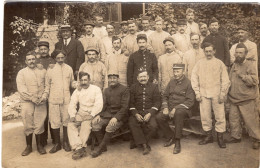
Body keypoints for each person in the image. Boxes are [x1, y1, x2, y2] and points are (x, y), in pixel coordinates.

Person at [191, 42, 230, 148]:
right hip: (203, 94)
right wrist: (197, 92)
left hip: (217, 94)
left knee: (220, 116)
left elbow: (225, 80)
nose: (208, 53)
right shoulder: (199, 63)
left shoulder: (219, 63)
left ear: (214, 51)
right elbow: (194, 78)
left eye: (210, 51)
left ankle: (220, 138)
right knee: (205, 116)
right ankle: (208, 136)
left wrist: (223, 93)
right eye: (206, 51)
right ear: (204, 52)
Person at [226, 43, 260, 149]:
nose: (238, 55)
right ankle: (236, 137)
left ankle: (257, 139)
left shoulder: (250, 65)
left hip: (247, 98)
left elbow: (255, 81)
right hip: (233, 98)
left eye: (241, 53)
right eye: (236, 53)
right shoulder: (234, 65)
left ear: (245, 54)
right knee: (233, 119)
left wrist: (243, 76)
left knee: (251, 121)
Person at [156, 64, 195, 154]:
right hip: (169, 107)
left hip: (183, 108)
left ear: (183, 71)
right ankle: (171, 136)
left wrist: (175, 108)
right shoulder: (171, 82)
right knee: (159, 117)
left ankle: (177, 141)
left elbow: (190, 101)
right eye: (174, 71)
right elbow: (165, 96)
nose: (175, 73)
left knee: (178, 114)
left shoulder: (188, 83)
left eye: (178, 71)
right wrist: (165, 107)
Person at [45, 49, 78, 153]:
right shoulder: (50, 69)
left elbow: (72, 82)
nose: (60, 60)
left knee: (66, 121)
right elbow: (47, 85)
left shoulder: (69, 68)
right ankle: (57, 144)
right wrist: (45, 95)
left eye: (62, 57)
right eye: (58, 58)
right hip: (53, 99)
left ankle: (65, 143)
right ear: (55, 58)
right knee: (54, 121)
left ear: (65, 57)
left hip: (66, 99)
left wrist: (77, 85)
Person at [91, 71, 130, 158]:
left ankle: (99, 149)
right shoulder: (106, 90)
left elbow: (125, 107)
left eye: (114, 78)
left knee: (110, 126)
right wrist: (99, 115)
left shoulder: (124, 89)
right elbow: (103, 105)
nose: (112, 80)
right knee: (95, 123)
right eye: (110, 78)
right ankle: (103, 146)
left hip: (120, 116)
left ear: (118, 79)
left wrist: (116, 118)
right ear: (108, 79)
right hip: (107, 114)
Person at [17, 52, 47, 156]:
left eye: (33, 59)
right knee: (28, 123)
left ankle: (39, 145)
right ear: (26, 62)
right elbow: (21, 89)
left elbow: (47, 85)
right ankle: (29, 146)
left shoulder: (43, 71)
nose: (31, 61)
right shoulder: (21, 73)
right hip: (27, 101)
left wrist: (44, 96)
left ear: (36, 60)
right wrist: (32, 98)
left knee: (39, 122)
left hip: (41, 101)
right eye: (29, 60)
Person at [68, 72, 103, 160]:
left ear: (89, 80)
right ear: (79, 81)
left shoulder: (96, 89)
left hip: (92, 112)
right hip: (81, 112)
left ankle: (80, 148)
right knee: (70, 124)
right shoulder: (78, 90)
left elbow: (99, 104)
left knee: (85, 125)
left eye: (85, 80)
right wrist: (72, 115)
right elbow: (72, 103)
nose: (84, 82)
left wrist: (92, 115)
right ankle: (79, 148)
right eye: (82, 80)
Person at [128, 70, 161, 155]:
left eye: (144, 76)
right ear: (137, 78)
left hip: (149, 111)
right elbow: (131, 103)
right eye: (141, 77)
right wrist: (136, 114)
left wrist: (150, 113)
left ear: (148, 77)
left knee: (153, 126)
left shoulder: (154, 87)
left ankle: (137, 141)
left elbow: (157, 102)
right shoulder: (133, 87)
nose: (143, 78)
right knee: (132, 123)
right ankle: (145, 145)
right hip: (137, 111)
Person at [36, 41, 56, 146]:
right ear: (39, 50)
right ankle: (43, 140)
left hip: (51, 92)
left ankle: (54, 138)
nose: (43, 51)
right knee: (42, 116)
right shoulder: (35, 61)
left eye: (45, 49)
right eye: (41, 49)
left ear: (48, 50)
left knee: (51, 116)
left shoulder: (52, 61)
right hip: (40, 92)